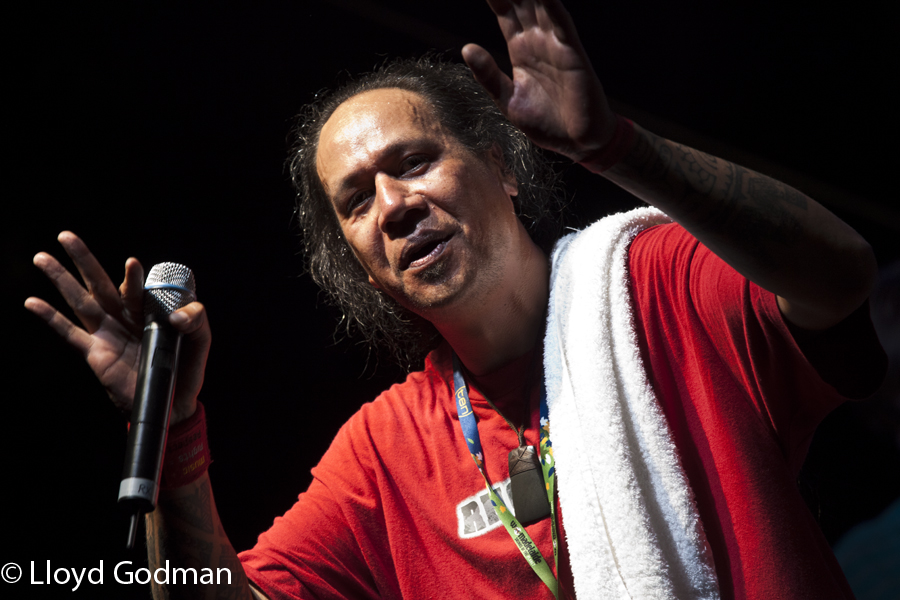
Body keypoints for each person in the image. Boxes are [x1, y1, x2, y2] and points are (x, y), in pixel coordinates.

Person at [25, 0, 886, 598]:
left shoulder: (655, 282)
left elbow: (843, 274)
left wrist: (619, 147)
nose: (392, 206)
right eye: (358, 201)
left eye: (411, 163)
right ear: (365, 268)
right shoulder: (384, 452)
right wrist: (172, 433)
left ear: (505, 166)